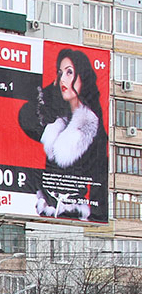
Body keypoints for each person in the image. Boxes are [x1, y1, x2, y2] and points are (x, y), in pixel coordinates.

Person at [18, 48, 108, 222]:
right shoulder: (57, 123)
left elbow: (100, 182)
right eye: (60, 73)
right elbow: (25, 118)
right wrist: (49, 91)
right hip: (46, 211)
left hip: (76, 215)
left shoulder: (92, 129)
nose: (63, 79)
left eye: (69, 72)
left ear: (83, 77)